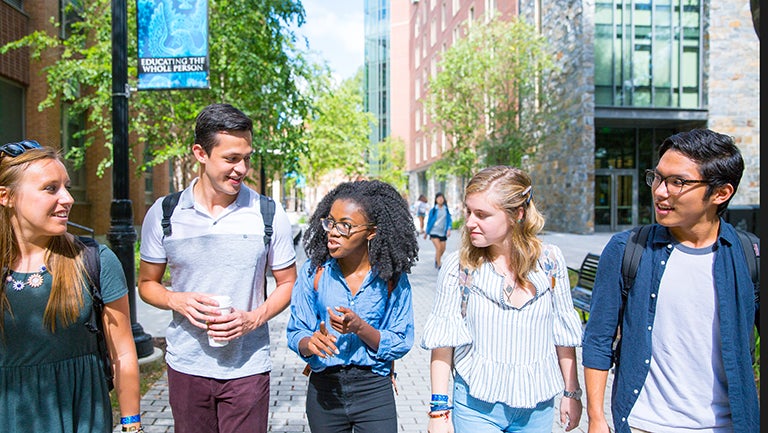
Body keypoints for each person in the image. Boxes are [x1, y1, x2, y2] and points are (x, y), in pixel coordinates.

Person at [582, 129, 760, 433]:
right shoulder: (628, 249)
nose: (660, 191)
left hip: (728, 425)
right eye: (658, 177)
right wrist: (596, 417)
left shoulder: (750, 256)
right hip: (643, 424)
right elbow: (598, 338)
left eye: (678, 182)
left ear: (721, 193)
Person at [138, 103, 298, 433]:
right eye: (231, 159)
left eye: (247, 158)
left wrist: (253, 318)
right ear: (200, 153)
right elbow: (147, 284)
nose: (242, 168)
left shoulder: (267, 213)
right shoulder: (164, 214)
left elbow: (288, 283)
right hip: (186, 365)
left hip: (248, 368)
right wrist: (176, 300)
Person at [421, 166, 584, 433]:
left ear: (517, 214)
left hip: (537, 407)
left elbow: (563, 337)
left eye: (482, 214)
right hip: (476, 405)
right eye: (469, 211)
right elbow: (443, 343)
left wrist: (571, 393)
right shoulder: (459, 267)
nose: (470, 222)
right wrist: (439, 411)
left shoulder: (551, 261)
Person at [0, 141, 142, 432]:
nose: (67, 198)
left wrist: (132, 426)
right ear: (7, 196)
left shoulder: (94, 260)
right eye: (50, 188)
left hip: (81, 417)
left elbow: (123, 354)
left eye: (66, 186)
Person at [287, 179, 418, 433]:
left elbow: (401, 339)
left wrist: (360, 328)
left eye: (345, 226)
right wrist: (310, 343)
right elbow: (296, 331)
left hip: (374, 390)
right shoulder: (314, 272)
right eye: (330, 222)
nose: (333, 232)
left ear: (372, 231)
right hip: (325, 390)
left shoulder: (392, 278)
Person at [424, 192, 452, 269]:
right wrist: (426, 232)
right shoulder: (433, 210)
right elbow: (429, 222)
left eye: (441, 198)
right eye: (438, 198)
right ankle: (439, 264)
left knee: (443, 249)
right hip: (434, 232)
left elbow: (449, 220)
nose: (440, 199)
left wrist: (449, 229)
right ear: (436, 200)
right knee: (439, 248)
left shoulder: (446, 209)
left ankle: (437, 258)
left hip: (442, 232)